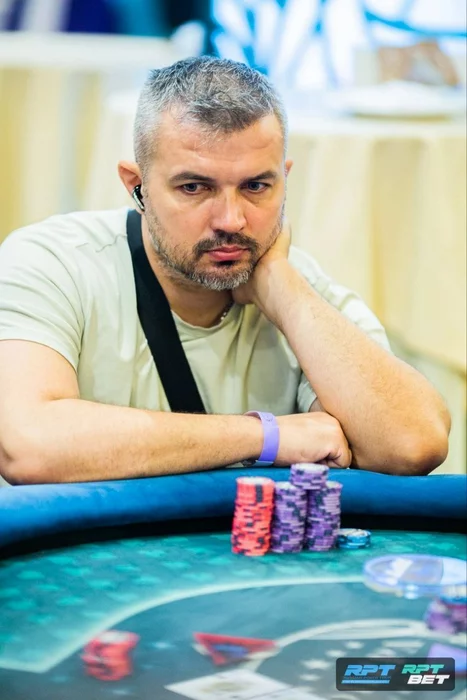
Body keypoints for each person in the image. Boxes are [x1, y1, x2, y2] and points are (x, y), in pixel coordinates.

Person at [0, 57, 450, 485]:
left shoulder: (299, 289)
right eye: (195, 187)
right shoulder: (54, 263)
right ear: (137, 186)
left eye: (256, 186)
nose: (231, 221)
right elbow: (29, 445)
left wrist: (279, 287)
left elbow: (414, 445)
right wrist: (267, 436)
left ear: (284, 180)